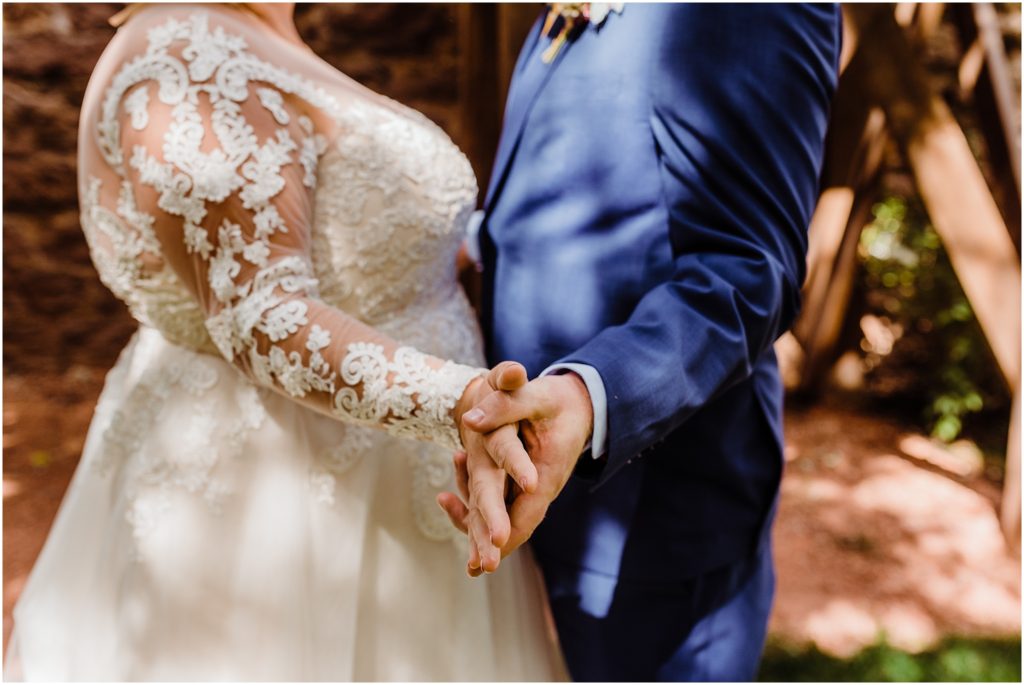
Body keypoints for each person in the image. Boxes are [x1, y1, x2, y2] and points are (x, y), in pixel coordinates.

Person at [5, 4, 567, 680]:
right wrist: (459, 401)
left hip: (397, 500)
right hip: (287, 508)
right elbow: (258, 315)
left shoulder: (265, 34)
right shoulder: (188, 55)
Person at [441, 4, 842, 681]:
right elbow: (591, 188)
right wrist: (469, 243)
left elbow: (747, 270)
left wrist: (592, 396)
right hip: (547, 496)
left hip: (655, 519)